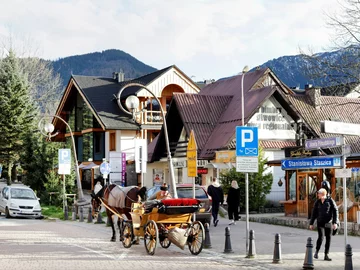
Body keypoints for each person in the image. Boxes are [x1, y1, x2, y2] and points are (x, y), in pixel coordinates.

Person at [309, 188, 339, 261]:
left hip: (328, 222)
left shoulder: (330, 200)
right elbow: (314, 213)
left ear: (323, 194)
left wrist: (335, 223)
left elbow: (335, 211)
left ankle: (326, 255)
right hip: (320, 222)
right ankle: (316, 252)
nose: (317, 194)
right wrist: (311, 223)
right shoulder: (317, 202)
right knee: (321, 237)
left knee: (328, 239)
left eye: (319, 193)